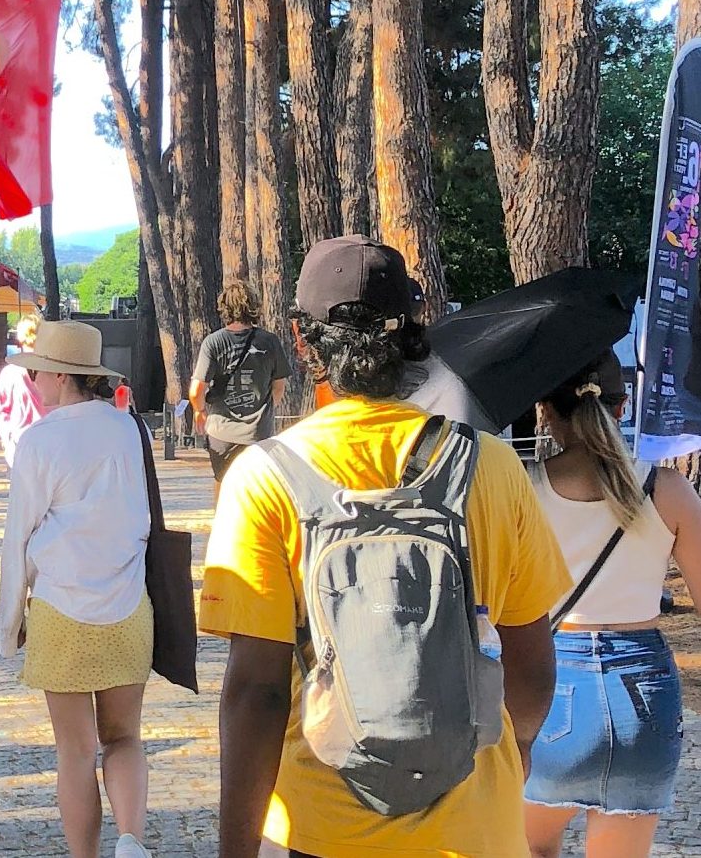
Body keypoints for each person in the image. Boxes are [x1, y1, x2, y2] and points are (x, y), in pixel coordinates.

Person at [200, 235, 570, 858]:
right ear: (414, 335)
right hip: (474, 826)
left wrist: (235, 850)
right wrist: (517, 751)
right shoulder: (494, 466)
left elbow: (255, 691)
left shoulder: (263, 477)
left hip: (325, 824)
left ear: (302, 341)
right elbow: (532, 667)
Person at [523, 354, 701, 857]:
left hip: (554, 680)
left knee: (527, 846)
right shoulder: (668, 489)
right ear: (622, 408)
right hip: (645, 691)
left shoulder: (524, 487)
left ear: (545, 413)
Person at [0, 321, 153, 858]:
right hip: (129, 604)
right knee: (125, 737)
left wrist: (9, 628)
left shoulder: (40, 441)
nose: (34, 379)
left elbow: (17, 537)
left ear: (61, 377)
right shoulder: (127, 428)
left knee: (75, 750)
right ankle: (131, 838)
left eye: (38, 370)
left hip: (62, 608)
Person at [188, 280, 291, 495]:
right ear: (253, 306)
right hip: (258, 432)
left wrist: (199, 411)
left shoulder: (213, 342)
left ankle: (222, 526)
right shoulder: (270, 341)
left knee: (222, 484)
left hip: (221, 431)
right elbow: (279, 386)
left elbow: (197, 390)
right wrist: (265, 409)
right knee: (258, 489)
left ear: (224, 308)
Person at [0, 316, 47, 467]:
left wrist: (8, 436)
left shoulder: (9, 373)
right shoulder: (54, 371)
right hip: (52, 440)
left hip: (20, 442)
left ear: (20, 338)